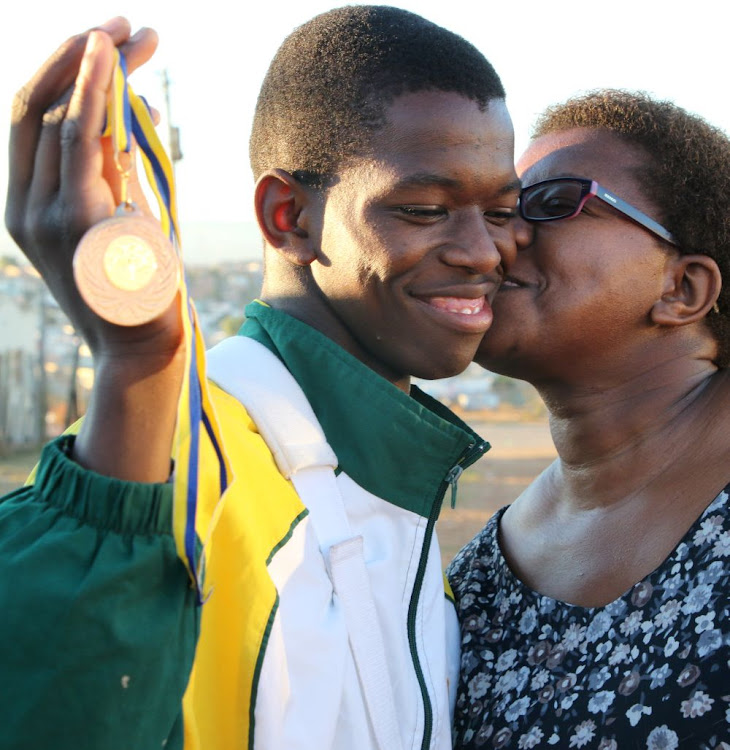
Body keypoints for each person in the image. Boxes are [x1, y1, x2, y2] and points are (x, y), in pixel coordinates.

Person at [0, 8, 527, 750]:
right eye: (425, 209)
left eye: (504, 210)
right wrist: (138, 364)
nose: (483, 251)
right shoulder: (176, 464)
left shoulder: (397, 492)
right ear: (290, 217)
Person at [448, 90, 730, 749]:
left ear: (682, 288)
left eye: (550, 204)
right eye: (500, 208)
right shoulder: (478, 579)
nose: (499, 233)